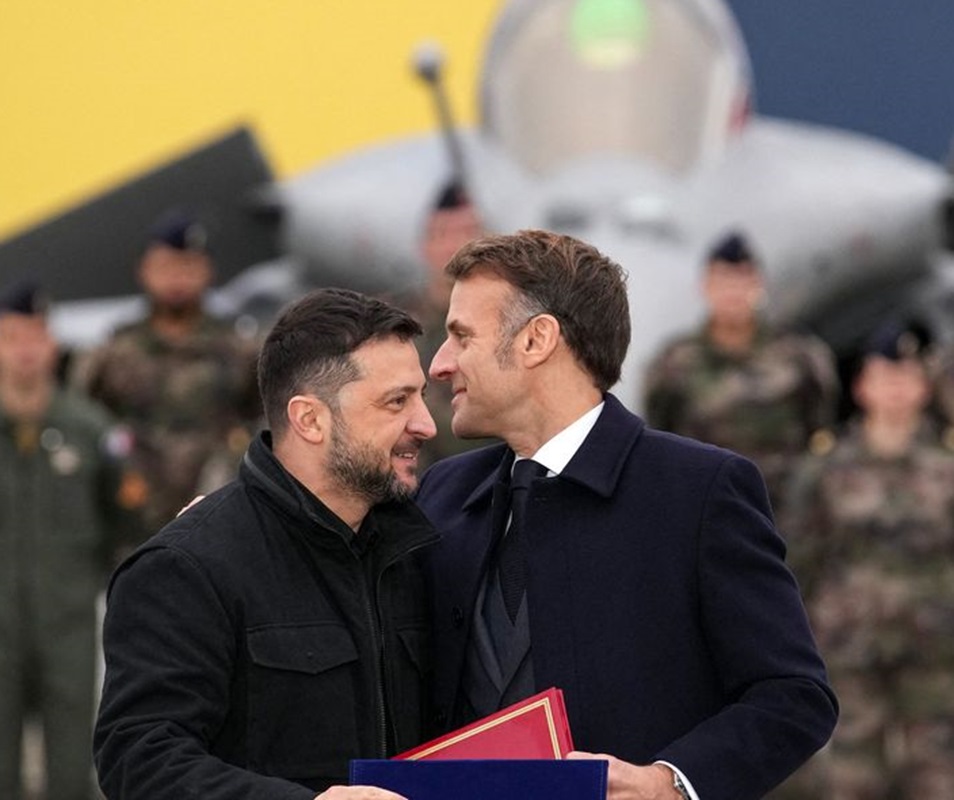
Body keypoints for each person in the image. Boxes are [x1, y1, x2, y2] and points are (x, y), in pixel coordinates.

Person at [415, 230, 838, 800]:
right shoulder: (442, 494)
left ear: (537, 340)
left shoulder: (699, 493)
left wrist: (669, 783)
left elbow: (793, 696)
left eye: (462, 336)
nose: (439, 364)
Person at [94, 288, 439, 799]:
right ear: (310, 419)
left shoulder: (414, 552)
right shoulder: (189, 567)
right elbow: (141, 759)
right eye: (396, 402)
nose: (426, 424)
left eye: (421, 396)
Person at [780, 320, 954, 799]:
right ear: (861, 387)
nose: (895, 390)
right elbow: (799, 562)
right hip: (851, 649)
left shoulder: (946, 468)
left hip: (936, 652)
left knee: (938, 776)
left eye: (906, 377)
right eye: (884, 377)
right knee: (853, 779)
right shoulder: (826, 470)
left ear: (923, 387)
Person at [0, 280, 133, 800]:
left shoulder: (90, 429)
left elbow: (123, 519)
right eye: (11, 337)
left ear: (53, 344)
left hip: (67, 625)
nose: (25, 351)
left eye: (36, 336)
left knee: (72, 766)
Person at [76, 208, 261, 544]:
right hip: (133, 521)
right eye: (166, 267)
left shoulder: (240, 349)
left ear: (207, 271)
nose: (177, 279)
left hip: (218, 519)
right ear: (144, 271)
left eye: (188, 267)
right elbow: (82, 424)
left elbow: (263, 424)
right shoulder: (114, 352)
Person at [643, 230, 839, 513]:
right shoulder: (675, 363)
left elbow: (820, 427)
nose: (734, 292)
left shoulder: (799, 356)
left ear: (759, 285)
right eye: (724, 280)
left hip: (783, 513)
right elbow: (660, 436)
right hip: (704, 509)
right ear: (705, 286)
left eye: (743, 279)